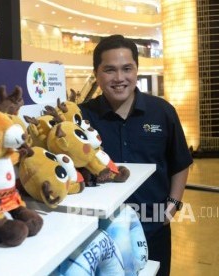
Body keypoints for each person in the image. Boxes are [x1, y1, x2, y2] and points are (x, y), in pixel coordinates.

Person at [78, 34, 193, 276]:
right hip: (100, 233)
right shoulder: (82, 117)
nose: (119, 78)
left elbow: (180, 161)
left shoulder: (162, 112)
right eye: (110, 70)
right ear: (97, 74)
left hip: (154, 228)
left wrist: (172, 206)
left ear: (136, 70)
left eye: (126, 68)